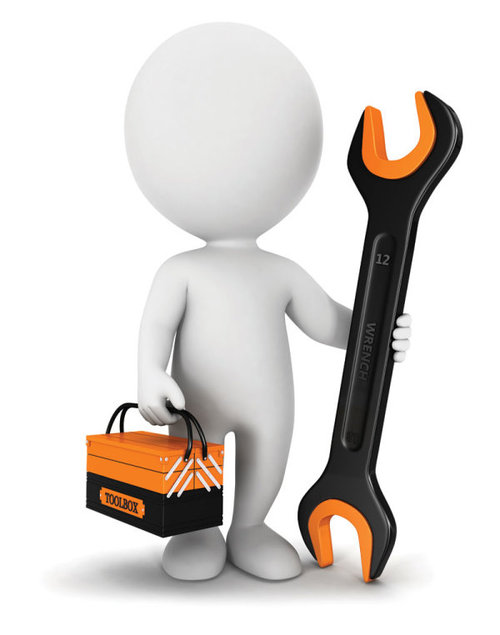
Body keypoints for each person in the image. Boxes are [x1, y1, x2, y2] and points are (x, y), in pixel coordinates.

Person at [124, 23, 411, 581]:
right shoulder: (179, 271)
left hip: (271, 409)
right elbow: (155, 329)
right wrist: (148, 375)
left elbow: (328, 323)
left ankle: (250, 526)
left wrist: (374, 329)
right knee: (194, 464)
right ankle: (197, 530)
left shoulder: (280, 272)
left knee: (269, 457)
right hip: (194, 407)